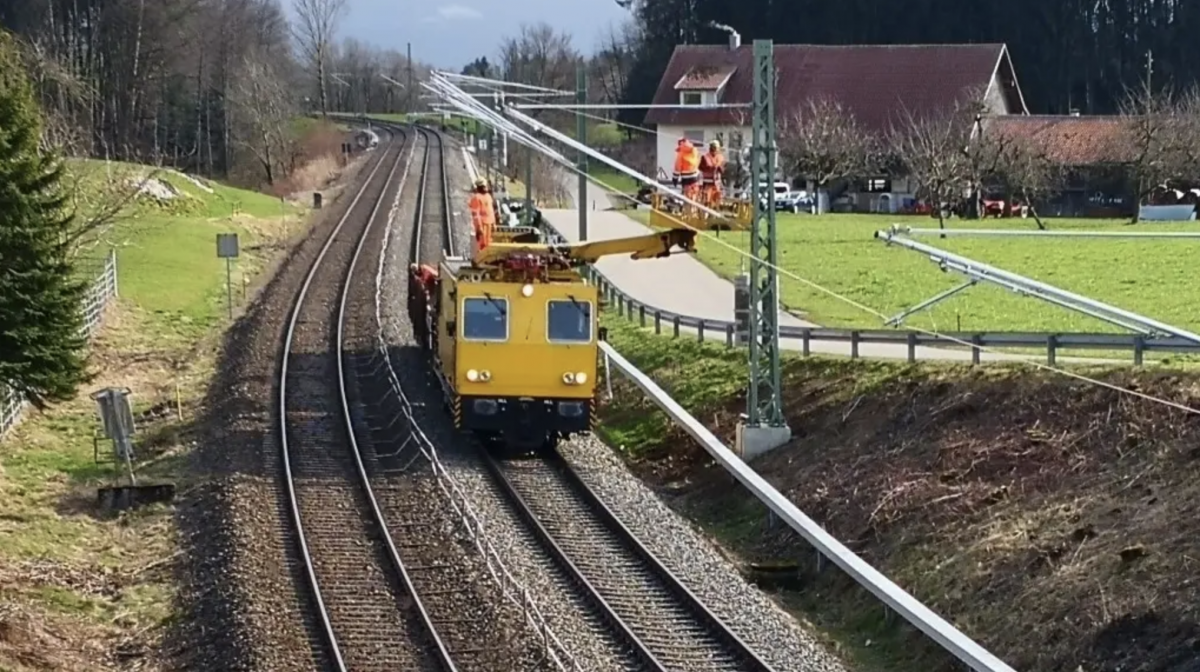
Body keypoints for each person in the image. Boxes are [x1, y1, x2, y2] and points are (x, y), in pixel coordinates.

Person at [468, 178, 495, 252]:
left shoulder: (488, 196)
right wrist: (479, 227)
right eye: (484, 186)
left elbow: (491, 211)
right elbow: (476, 214)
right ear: (480, 187)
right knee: (482, 244)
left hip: (489, 223)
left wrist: (493, 224)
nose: (486, 188)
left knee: (488, 243)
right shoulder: (476, 198)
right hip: (482, 225)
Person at [698, 140, 726, 208]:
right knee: (706, 201)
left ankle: (713, 214)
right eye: (714, 147)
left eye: (715, 148)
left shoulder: (721, 157)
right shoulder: (705, 157)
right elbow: (700, 167)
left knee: (716, 200)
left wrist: (719, 168)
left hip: (717, 184)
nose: (715, 150)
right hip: (707, 183)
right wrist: (710, 168)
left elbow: (723, 170)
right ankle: (706, 213)